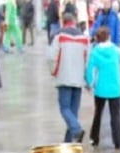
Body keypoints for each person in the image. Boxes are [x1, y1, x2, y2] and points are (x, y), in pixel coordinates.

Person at [48, 12, 89, 142]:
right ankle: (68, 143)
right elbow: (88, 59)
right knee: (73, 112)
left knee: (65, 109)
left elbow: (52, 57)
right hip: (78, 78)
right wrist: (87, 78)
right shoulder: (84, 38)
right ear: (74, 21)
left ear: (63, 22)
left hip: (64, 77)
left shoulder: (59, 37)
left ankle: (76, 130)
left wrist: (54, 72)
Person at [85, 26, 120, 148]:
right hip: (115, 87)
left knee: (98, 114)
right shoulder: (116, 51)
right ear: (109, 37)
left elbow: (90, 70)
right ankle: (117, 141)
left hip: (101, 88)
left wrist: (89, 83)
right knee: (115, 116)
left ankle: (94, 138)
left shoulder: (95, 52)